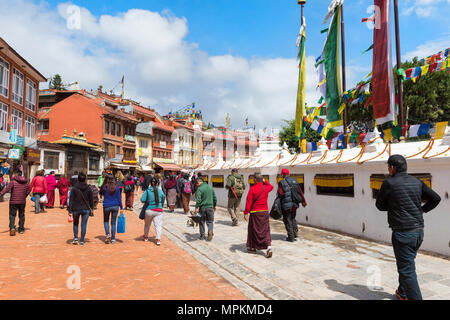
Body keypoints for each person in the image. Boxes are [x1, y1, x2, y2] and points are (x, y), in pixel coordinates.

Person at [376, 155, 441, 300]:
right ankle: (402, 292)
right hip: (418, 232)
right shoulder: (417, 182)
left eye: (388, 167)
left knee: (407, 270)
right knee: (407, 264)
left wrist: (394, 205)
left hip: (402, 233)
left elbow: (379, 206)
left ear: (392, 168)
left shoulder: (389, 183)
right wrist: (423, 210)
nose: (388, 169)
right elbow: (436, 198)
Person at [244, 173, 274, 258]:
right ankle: (268, 247)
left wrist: (246, 213)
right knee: (265, 229)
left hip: (255, 212)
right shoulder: (266, 187)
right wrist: (265, 181)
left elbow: (248, 201)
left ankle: (252, 248)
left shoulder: (252, 189)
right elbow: (271, 187)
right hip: (264, 211)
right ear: (262, 180)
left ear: (255, 180)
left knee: (254, 230)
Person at [277, 169, 307, 242]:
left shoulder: (282, 182)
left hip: (286, 205)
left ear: (282, 175)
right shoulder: (295, 181)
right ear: (289, 174)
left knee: (287, 220)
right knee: (293, 218)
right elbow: (300, 192)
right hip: (295, 204)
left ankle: (291, 237)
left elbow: (280, 193)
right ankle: (295, 234)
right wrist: (303, 201)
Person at [0, 169, 31, 236]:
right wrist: (24, 196)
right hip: (22, 201)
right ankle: (21, 229)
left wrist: (1, 194)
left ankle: (12, 228)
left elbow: (7, 189)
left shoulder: (13, 181)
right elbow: (29, 190)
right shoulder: (26, 181)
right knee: (21, 214)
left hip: (13, 202)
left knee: (12, 215)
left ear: (16, 174)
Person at [68, 172, 94, 246]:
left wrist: (70, 210)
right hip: (86, 209)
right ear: (85, 179)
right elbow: (91, 200)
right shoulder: (88, 188)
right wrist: (91, 209)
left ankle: (76, 238)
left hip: (76, 208)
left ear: (78, 179)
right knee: (84, 224)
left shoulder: (74, 188)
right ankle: (82, 240)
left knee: (75, 223)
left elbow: (71, 200)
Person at [141, 177, 166, 245]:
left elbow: (142, 199)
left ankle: (146, 237)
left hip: (149, 210)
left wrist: (148, 200)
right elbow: (163, 197)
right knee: (158, 225)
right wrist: (161, 204)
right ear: (158, 183)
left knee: (147, 225)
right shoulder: (160, 191)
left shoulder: (147, 191)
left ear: (150, 183)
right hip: (158, 210)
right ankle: (158, 240)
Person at [100, 174, 123, 244]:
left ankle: (107, 234)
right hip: (115, 206)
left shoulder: (105, 187)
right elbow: (119, 198)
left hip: (106, 206)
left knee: (106, 221)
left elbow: (101, 193)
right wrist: (121, 207)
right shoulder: (116, 187)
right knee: (113, 223)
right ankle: (113, 239)